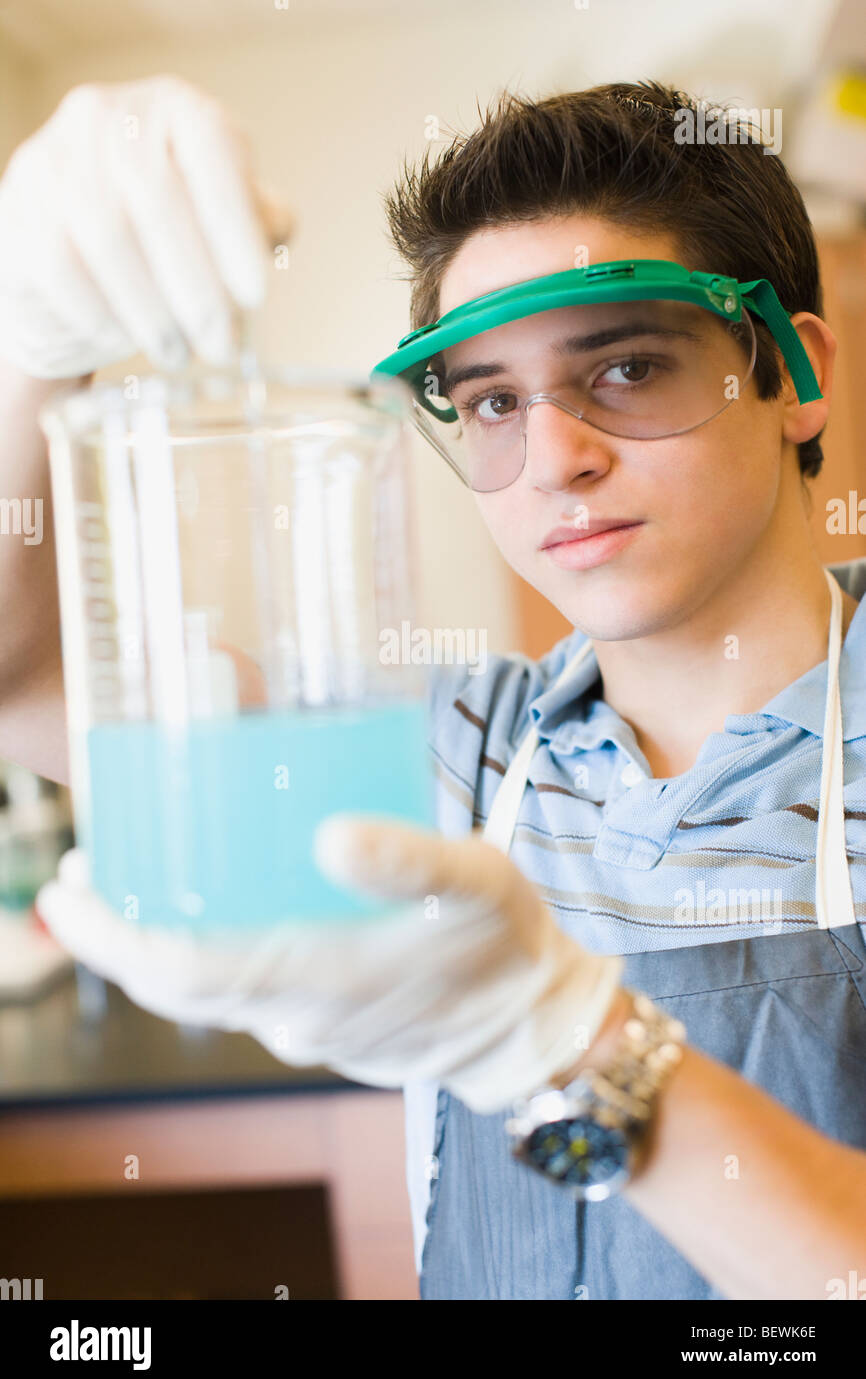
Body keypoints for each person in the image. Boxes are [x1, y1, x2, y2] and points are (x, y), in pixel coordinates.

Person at [1, 75, 864, 1302]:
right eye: (493, 402)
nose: (554, 454)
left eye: (624, 366)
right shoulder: (447, 756)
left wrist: (574, 1043)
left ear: (788, 371)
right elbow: (18, 667)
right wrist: (28, 350)